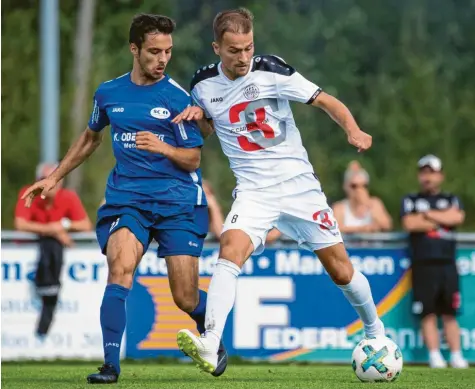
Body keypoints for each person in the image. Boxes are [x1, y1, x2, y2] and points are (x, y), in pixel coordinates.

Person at [173, 7, 387, 374]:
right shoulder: (202, 84)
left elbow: (326, 101)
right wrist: (200, 118)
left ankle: (376, 332)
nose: (243, 57)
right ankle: (210, 342)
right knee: (230, 248)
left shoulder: (272, 69)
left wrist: (352, 129)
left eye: (248, 48)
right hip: (254, 191)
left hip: (299, 188)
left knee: (341, 271)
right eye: (234, 50)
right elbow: (210, 130)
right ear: (216, 48)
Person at [21, 14, 227, 384]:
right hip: (128, 200)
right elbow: (90, 137)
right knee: (119, 269)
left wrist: (163, 147)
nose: (162, 59)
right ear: (134, 49)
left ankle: (209, 331)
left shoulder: (176, 96)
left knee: (183, 297)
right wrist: (54, 177)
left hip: (177, 203)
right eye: (153, 51)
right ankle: (110, 366)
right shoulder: (109, 93)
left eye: (167, 51)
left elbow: (193, 158)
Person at [400, 155, 468, 369]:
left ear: (440, 175)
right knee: (427, 312)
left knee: (450, 312)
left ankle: (457, 356)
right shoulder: (410, 199)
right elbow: (410, 223)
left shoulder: (451, 199)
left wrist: (427, 215)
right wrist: (441, 217)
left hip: (448, 263)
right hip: (423, 264)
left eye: (432, 172)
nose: (427, 177)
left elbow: (456, 218)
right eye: (424, 172)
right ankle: (434, 356)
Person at [15, 162, 92, 338]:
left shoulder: (68, 197)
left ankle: (44, 326)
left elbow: (85, 225)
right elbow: (21, 225)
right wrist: (55, 231)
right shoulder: (29, 194)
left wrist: (61, 225)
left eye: (55, 179)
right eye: (45, 179)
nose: (51, 184)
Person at [332, 161, 392, 234]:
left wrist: (368, 205)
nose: (359, 190)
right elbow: (336, 229)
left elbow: (386, 225)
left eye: (364, 186)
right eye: (354, 186)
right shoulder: (339, 207)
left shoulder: (375, 203)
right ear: (346, 187)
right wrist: (362, 229)